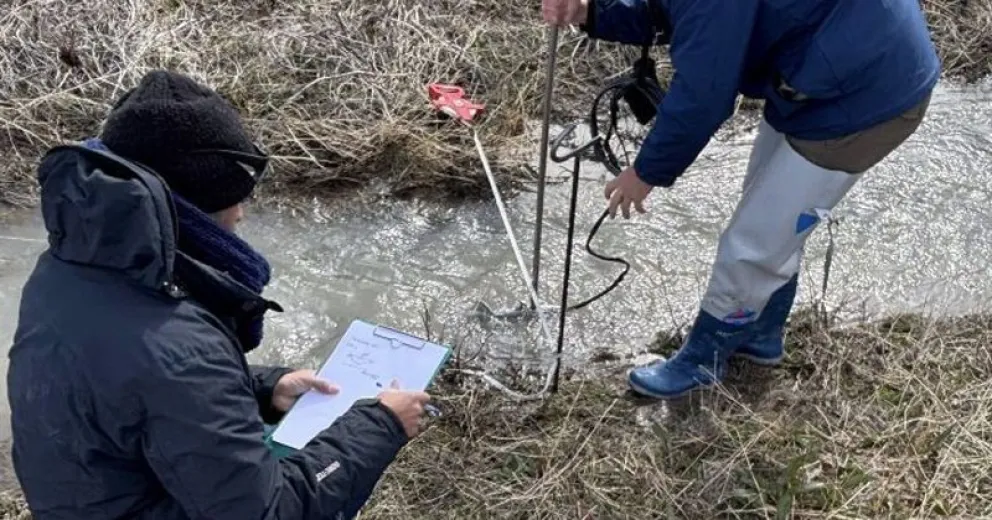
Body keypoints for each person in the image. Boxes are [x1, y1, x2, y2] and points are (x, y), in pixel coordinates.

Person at [7, 69, 431, 519]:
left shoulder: (68, 265)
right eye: (233, 196)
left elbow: (131, 390)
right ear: (194, 205)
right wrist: (380, 425)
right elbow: (269, 512)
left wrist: (262, 389)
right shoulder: (182, 352)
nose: (242, 214)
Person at [542, 0, 940, 398]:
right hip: (819, 68)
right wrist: (591, 13)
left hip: (867, 94)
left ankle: (704, 357)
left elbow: (705, 93)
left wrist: (645, 173)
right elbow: (666, 10)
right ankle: (759, 335)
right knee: (770, 220)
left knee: (753, 243)